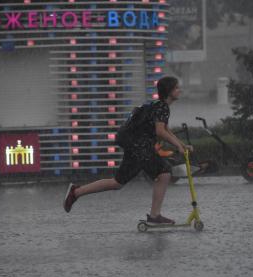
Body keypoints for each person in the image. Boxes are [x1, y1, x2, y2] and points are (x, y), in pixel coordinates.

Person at [63, 76, 192, 225]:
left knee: (117, 182)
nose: (179, 90)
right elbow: (160, 132)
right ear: (169, 91)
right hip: (140, 147)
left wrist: (182, 145)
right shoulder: (162, 107)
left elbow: (166, 129)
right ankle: (155, 216)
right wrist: (178, 146)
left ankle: (76, 192)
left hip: (134, 145)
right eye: (176, 88)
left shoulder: (157, 105)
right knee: (164, 172)